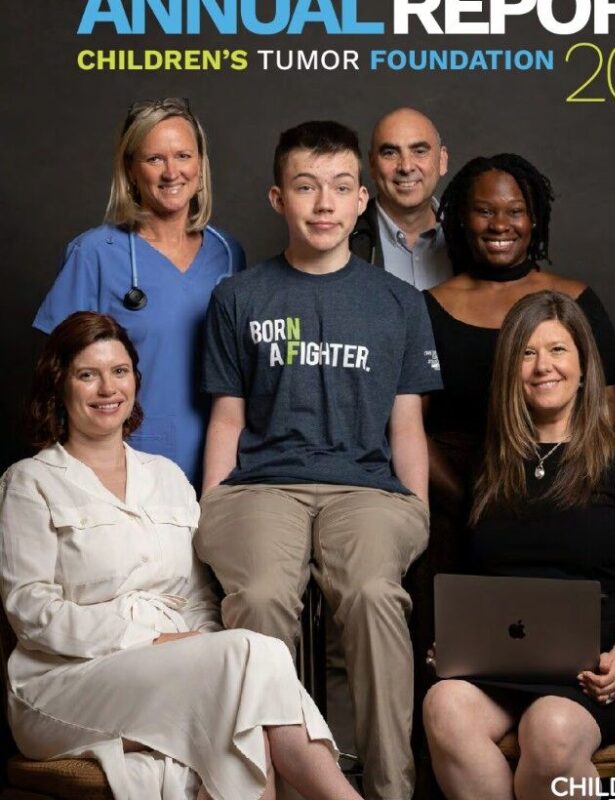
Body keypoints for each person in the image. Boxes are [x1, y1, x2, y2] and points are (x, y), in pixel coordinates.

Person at [0, 311, 363, 800]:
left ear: (135, 380)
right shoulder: (30, 482)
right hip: (63, 682)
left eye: (120, 371)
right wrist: (152, 640)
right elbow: (32, 613)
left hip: (175, 670)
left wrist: (194, 647)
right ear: (59, 385)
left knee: (243, 684)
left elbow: (198, 595)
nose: (108, 388)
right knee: (254, 659)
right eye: (88, 374)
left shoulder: (167, 476)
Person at [195, 120, 442, 800]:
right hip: (260, 489)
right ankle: (266, 784)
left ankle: (390, 787)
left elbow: (408, 426)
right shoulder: (238, 298)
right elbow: (228, 417)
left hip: (365, 490)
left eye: (339, 188)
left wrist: (415, 509)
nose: (324, 204)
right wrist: (211, 506)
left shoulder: (398, 302)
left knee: (369, 594)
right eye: (307, 187)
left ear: (363, 199)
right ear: (279, 199)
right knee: (264, 600)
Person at [423, 291, 615, 800]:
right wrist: (453, 644)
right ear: (510, 372)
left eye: (558, 350)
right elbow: (476, 580)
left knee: (551, 726)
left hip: (606, 666)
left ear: (584, 366)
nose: (544, 367)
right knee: (443, 704)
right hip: (507, 665)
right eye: (527, 353)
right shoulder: (490, 464)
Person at [33, 97, 246, 491]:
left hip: (220, 459)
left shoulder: (228, 254)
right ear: (130, 169)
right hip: (124, 459)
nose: (171, 173)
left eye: (183, 155)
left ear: (200, 167)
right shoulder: (95, 254)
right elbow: (57, 377)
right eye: (154, 159)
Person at [424, 154, 615, 515]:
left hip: (563, 489)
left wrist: (568, 481)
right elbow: (409, 427)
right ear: (462, 220)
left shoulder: (574, 299)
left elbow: (606, 403)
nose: (500, 224)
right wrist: (464, 502)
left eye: (514, 211)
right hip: (453, 494)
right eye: (484, 211)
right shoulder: (428, 307)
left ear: (533, 218)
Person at [350, 107, 451, 289]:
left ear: (442, 160)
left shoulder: (471, 235)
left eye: (419, 151)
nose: (406, 167)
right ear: (372, 164)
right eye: (390, 153)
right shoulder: (344, 238)